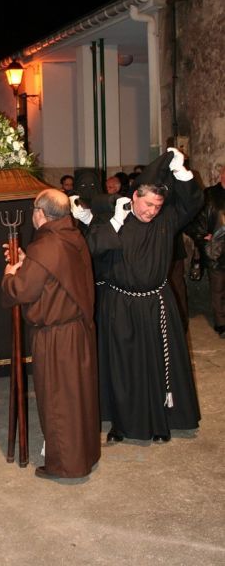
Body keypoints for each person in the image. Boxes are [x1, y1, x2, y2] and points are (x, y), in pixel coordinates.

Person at [72, 148, 203, 444]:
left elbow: (194, 203)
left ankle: (161, 420)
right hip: (120, 303)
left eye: (157, 205)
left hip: (157, 301)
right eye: (147, 205)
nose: (151, 211)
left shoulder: (166, 219)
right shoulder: (113, 218)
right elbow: (89, 250)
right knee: (122, 366)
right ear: (134, 198)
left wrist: (183, 174)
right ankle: (123, 423)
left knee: (157, 363)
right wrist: (115, 224)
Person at [1, 189, 100, 479]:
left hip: (56, 336)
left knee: (58, 400)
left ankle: (65, 466)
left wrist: (9, 274)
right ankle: (85, 455)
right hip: (77, 330)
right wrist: (26, 260)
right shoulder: (72, 236)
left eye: (34, 209)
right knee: (78, 396)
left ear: (41, 214)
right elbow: (51, 274)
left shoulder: (46, 246)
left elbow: (23, 290)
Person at [187, 165, 225, 338]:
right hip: (216, 250)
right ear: (221, 175)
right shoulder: (209, 195)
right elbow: (194, 218)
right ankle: (221, 323)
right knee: (218, 289)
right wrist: (202, 236)